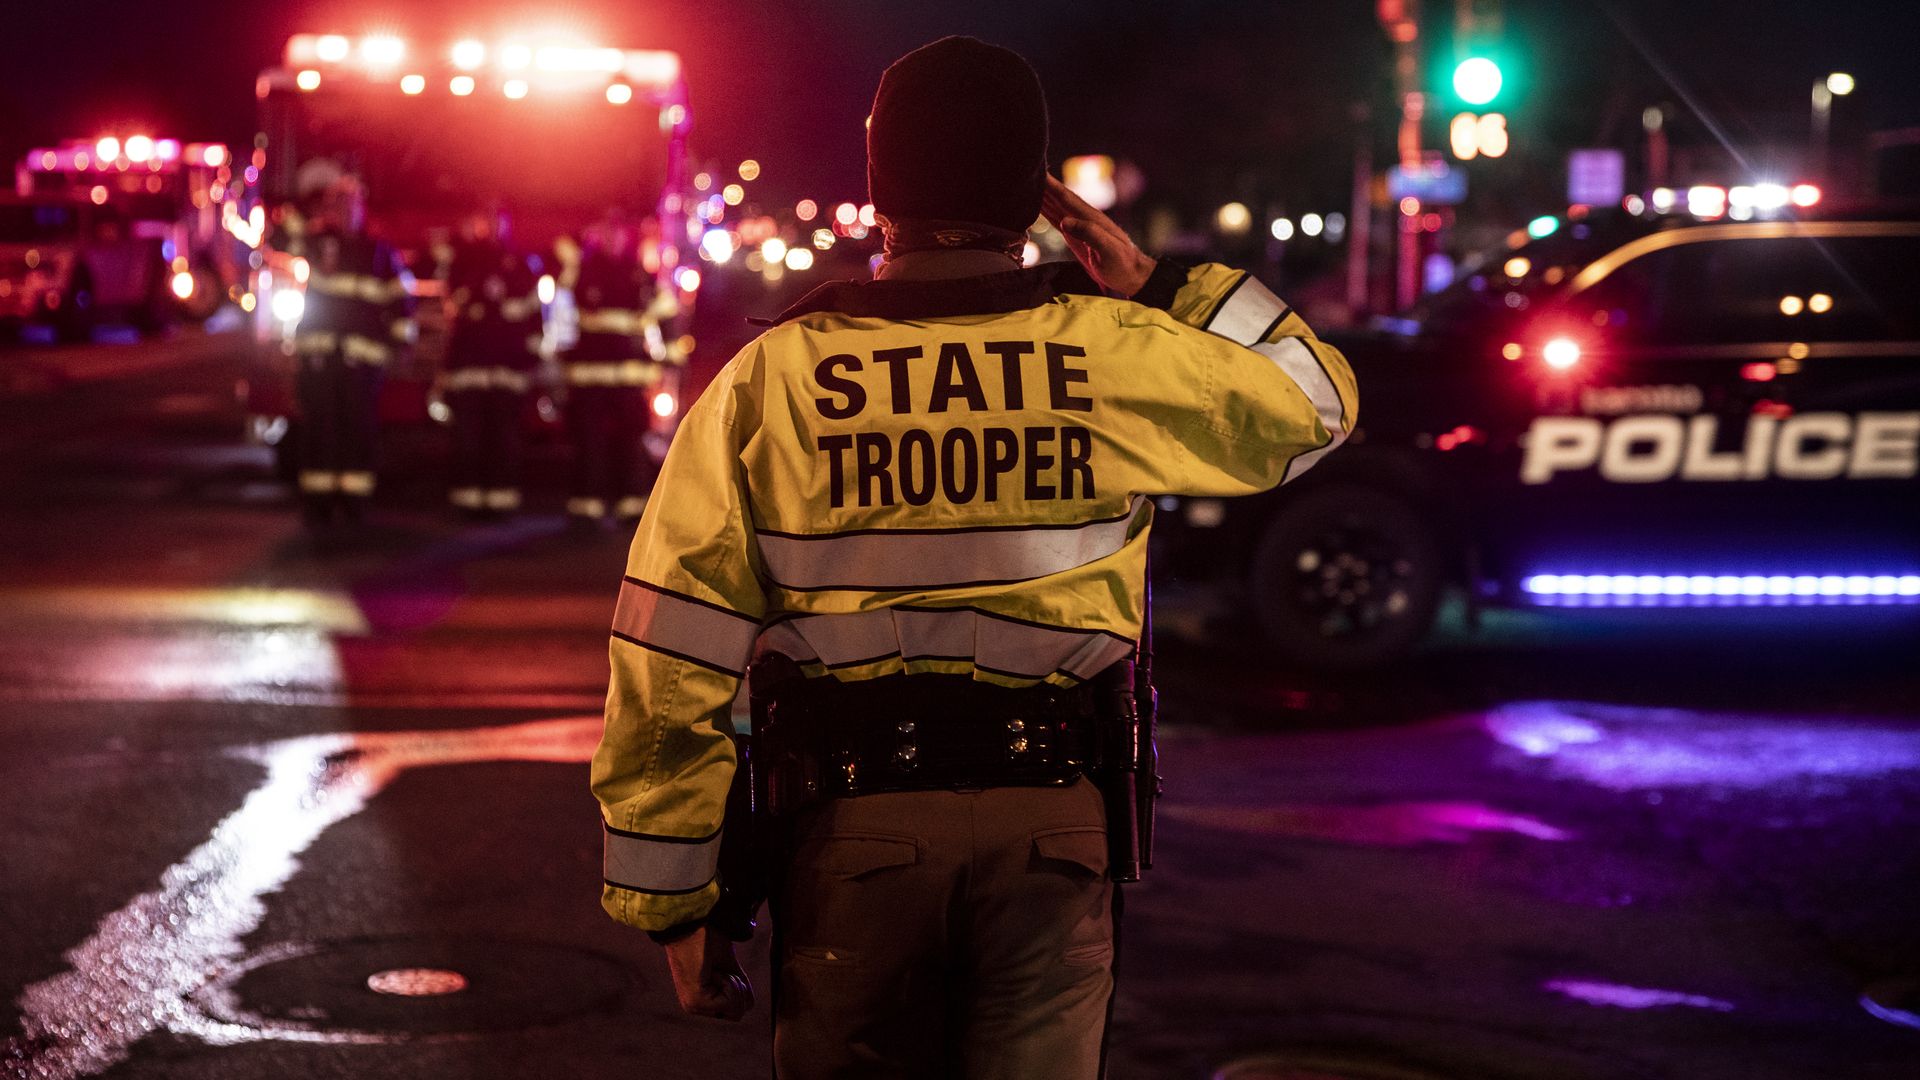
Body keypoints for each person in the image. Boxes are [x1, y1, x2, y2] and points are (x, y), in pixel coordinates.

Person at [590, 36, 1357, 1078]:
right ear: (1033, 196)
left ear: (881, 190)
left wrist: (674, 901)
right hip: (1056, 833)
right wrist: (1161, 283)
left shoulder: (771, 381)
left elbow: (669, 656)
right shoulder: (1110, 350)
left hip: (851, 836)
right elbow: (1318, 402)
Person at [284, 171, 415, 525]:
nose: (344, 211)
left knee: (357, 430)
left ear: (361, 208)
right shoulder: (316, 243)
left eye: (350, 204)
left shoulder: (379, 252)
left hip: (363, 360)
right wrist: (310, 203)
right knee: (319, 428)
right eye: (337, 204)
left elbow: (401, 302)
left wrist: (401, 345)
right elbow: (282, 237)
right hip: (319, 356)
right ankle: (318, 502)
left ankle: (355, 502)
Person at [558, 210, 674, 527]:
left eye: (617, 233)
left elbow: (666, 309)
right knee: (588, 442)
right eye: (605, 233)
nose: (612, 240)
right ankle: (586, 508)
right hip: (589, 375)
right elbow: (561, 309)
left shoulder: (639, 273)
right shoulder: (582, 270)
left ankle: (632, 506)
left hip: (629, 375)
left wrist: (670, 356)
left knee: (631, 442)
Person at [441, 207, 543, 518]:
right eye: (487, 221)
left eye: (498, 221)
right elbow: (453, 307)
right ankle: (467, 503)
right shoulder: (463, 260)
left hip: (508, 369)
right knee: (468, 438)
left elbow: (534, 317)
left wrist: (531, 361)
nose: (492, 227)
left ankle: (501, 504)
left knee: (505, 438)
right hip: (470, 367)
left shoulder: (524, 264)